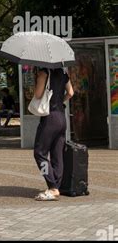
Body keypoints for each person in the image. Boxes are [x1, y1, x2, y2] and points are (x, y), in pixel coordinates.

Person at [33, 66, 74, 201]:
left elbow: (38, 95)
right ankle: (56, 186)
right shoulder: (63, 72)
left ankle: (52, 186)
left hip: (49, 119)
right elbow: (71, 93)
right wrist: (59, 101)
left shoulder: (44, 73)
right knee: (57, 154)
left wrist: (38, 80)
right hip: (61, 117)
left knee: (39, 153)